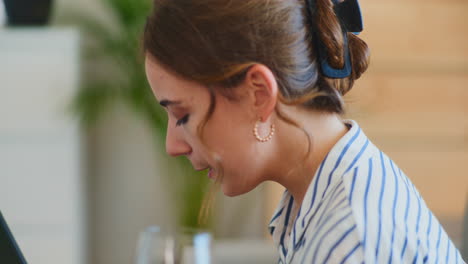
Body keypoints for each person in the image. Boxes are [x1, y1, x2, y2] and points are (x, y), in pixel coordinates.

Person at [142, 0, 465, 263]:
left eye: (182, 115)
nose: (173, 145)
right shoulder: (321, 196)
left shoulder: (353, 242)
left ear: (258, 94)